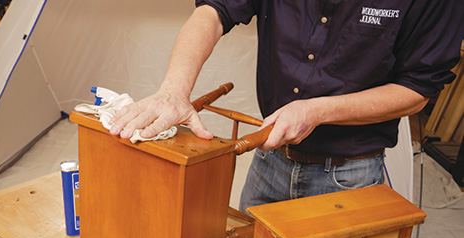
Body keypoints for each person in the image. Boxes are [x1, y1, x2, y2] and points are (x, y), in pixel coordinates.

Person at [109, 1, 464, 213]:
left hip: (348, 176)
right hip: (270, 158)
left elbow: (417, 88)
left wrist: (316, 111)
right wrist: (173, 91)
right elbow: (214, 11)